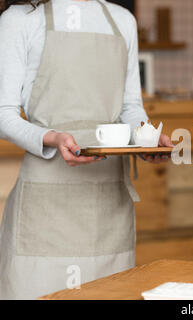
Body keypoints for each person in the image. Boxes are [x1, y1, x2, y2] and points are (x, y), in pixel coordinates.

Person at [0, 0, 172, 299]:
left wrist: (145, 139)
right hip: (45, 209)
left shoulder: (122, 20)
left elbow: (131, 109)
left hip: (109, 206)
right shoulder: (21, 19)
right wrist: (51, 137)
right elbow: (3, 113)